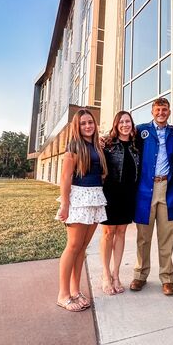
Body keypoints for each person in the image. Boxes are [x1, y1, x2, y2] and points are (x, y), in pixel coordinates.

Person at [55, 109, 108, 312]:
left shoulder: (96, 145)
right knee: (73, 246)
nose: (88, 126)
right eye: (83, 123)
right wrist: (65, 204)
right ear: (77, 126)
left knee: (82, 248)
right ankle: (63, 294)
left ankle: (75, 291)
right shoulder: (74, 146)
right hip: (79, 197)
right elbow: (66, 177)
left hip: (95, 196)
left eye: (90, 122)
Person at [130, 97, 173, 296]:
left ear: (169, 112)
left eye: (165, 109)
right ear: (152, 112)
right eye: (158, 110)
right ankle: (140, 275)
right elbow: (121, 136)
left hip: (168, 188)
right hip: (145, 189)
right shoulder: (141, 131)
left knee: (167, 236)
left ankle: (167, 278)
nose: (161, 113)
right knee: (143, 237)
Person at [100, 111, 140, 295]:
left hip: (128, 194)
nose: (125, 124)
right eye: (122, 122)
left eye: (128, 121)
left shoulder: (136, 145)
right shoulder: (107, 144)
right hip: (110, 194)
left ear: (132, 124)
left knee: (122, 232)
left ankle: (116, 275)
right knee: (108, 233)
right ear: (116, 125)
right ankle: (105, 275)